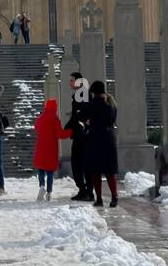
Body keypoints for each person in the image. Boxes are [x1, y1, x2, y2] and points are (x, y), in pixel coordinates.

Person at [84, 81, 119, 208]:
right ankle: (114, 197)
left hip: (95, 140)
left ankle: (99, 198)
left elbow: (88, 120)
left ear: (93, 92)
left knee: (95, 172)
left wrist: (89, 123)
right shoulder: (111, 103)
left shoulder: (93, 104)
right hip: (109, 139)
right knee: (110, 172)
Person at [33, 98, 69, 201]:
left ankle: (41, 187)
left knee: (41, 170)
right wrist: (71, 132)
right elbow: (59, 134)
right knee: (49, 172)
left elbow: (36, 127)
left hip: (41, 148)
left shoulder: (41, 118)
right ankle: (49, 193)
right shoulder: (55, 119)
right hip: (51, 149)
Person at [64, 72, 91, 201]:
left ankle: (84, 190)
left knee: (78, 163)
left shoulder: (82, 94)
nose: (70, 82)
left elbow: (80, 114)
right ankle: (86, 190)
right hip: (82, 134)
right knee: (81, 163)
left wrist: (70, 124)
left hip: (82, 135)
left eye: (72, 80)